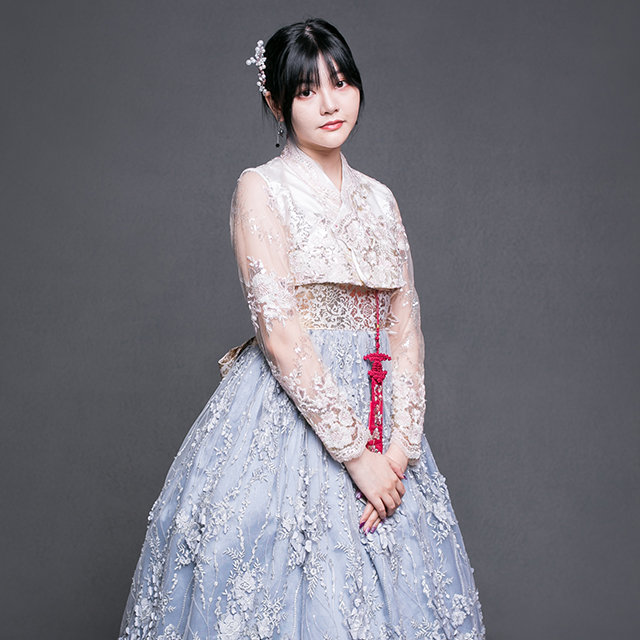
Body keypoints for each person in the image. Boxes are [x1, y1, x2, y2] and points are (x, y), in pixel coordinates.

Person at [119, 18, 485, 640]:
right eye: (308, 90)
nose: (330, 103)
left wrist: (398, 454)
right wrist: (358, 458)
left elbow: (406, 330)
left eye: (341, 83)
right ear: (276, 102)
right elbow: (282, 335)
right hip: (290, 411)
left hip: (381, 415)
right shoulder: (261, 188)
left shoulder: (381, 199)